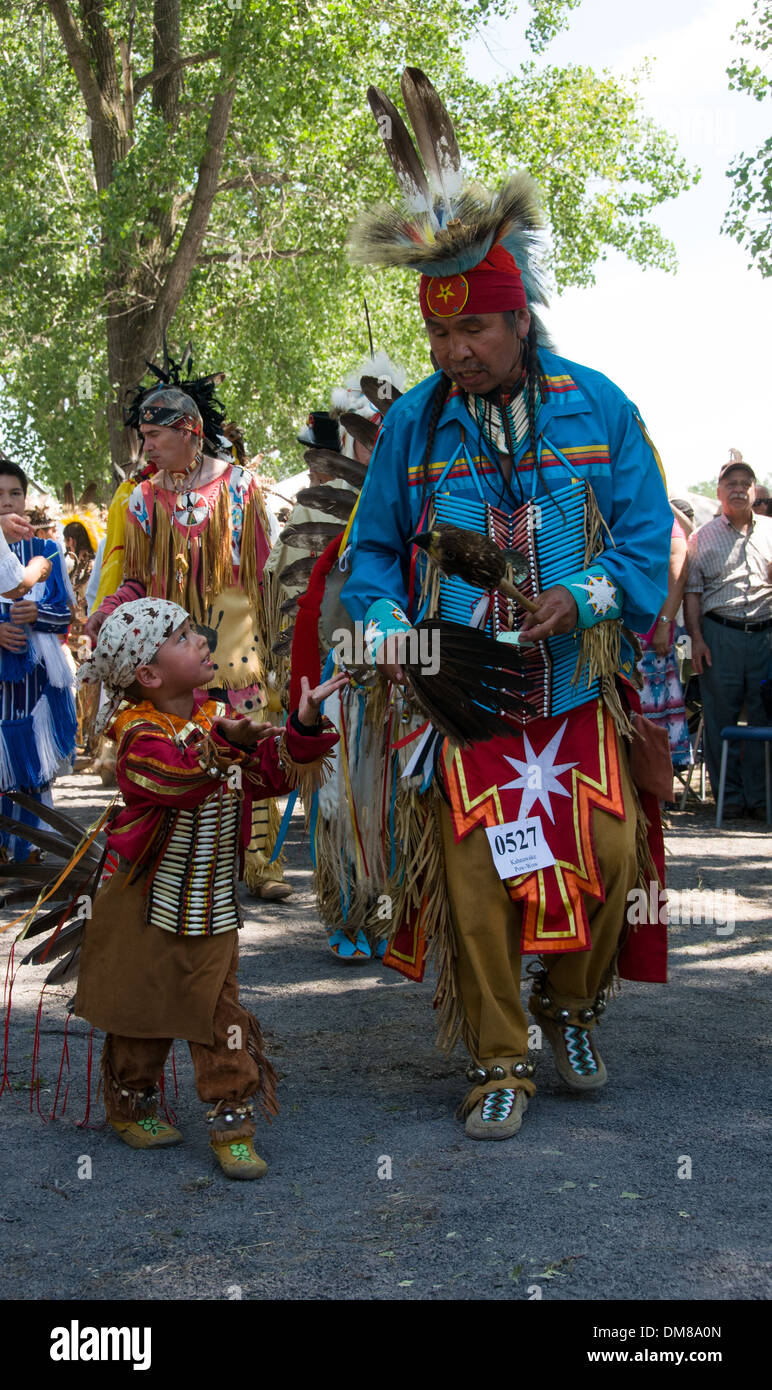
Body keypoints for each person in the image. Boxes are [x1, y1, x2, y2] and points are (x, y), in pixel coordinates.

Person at [341, 68, 672, 1139]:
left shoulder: (600, 407)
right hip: (461, 696)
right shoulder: (414, 427)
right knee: (477, 871)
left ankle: (571, 1006)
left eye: (469, 336)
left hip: (574, 690)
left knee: (610, 852)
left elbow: (642, 544)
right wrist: (391, 629)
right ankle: (496, 1059)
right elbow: (371, 555)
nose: (450, 355)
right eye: (437, 339)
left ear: (516, 318)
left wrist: (579, 598)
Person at [74, 597, 344, 1178]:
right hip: (145, 902)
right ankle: (130, 1100)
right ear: (148, 674)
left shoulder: (212, 719)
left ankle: (233, 1122)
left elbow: (267, 775)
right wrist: (230, 743)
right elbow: (177, 781)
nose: (201, 638)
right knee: (142, 1011)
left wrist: (299, 725)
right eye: (182, 635)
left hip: (210, 904)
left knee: (219, 1013)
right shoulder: (138, 738)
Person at [84, 364, 292, 900]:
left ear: (189, 431)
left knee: (249, 730)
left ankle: (261, 863)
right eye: (143, 436)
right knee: (186, 744)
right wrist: (109, 610)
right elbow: (133, 578)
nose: (146, 446)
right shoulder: (140, 499)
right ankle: (190, 854)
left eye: (155, 435)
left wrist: (281, 641)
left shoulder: (241, 487)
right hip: (172, 641)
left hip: (235, 632)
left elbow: (264, 573)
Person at [684, 456, 772, 819]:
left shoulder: (769, 530)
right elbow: (692, 593)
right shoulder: (702, 537)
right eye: (731, 484)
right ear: (719, 493)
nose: (739, 490)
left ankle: (761, 797)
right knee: (721, 718)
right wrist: (697, 640)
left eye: (745, 484)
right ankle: (729, 798)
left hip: (766, 635)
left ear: (754, 491)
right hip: (720, 636)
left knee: (764, 717)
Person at [0, 457, 76, 862]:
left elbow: (63, 612)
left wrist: (37, 614)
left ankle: (31, 843)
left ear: (26, 499)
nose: (7, 502)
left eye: (15, 493)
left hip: (35, 679)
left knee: (33, 762)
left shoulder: (46, 549)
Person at [635, 510, 691, 774]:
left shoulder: (662, 515)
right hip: (619, 634)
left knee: (652, 719)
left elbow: (678, 568)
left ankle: (655, 791)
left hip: (650, 637)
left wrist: (664, 624)